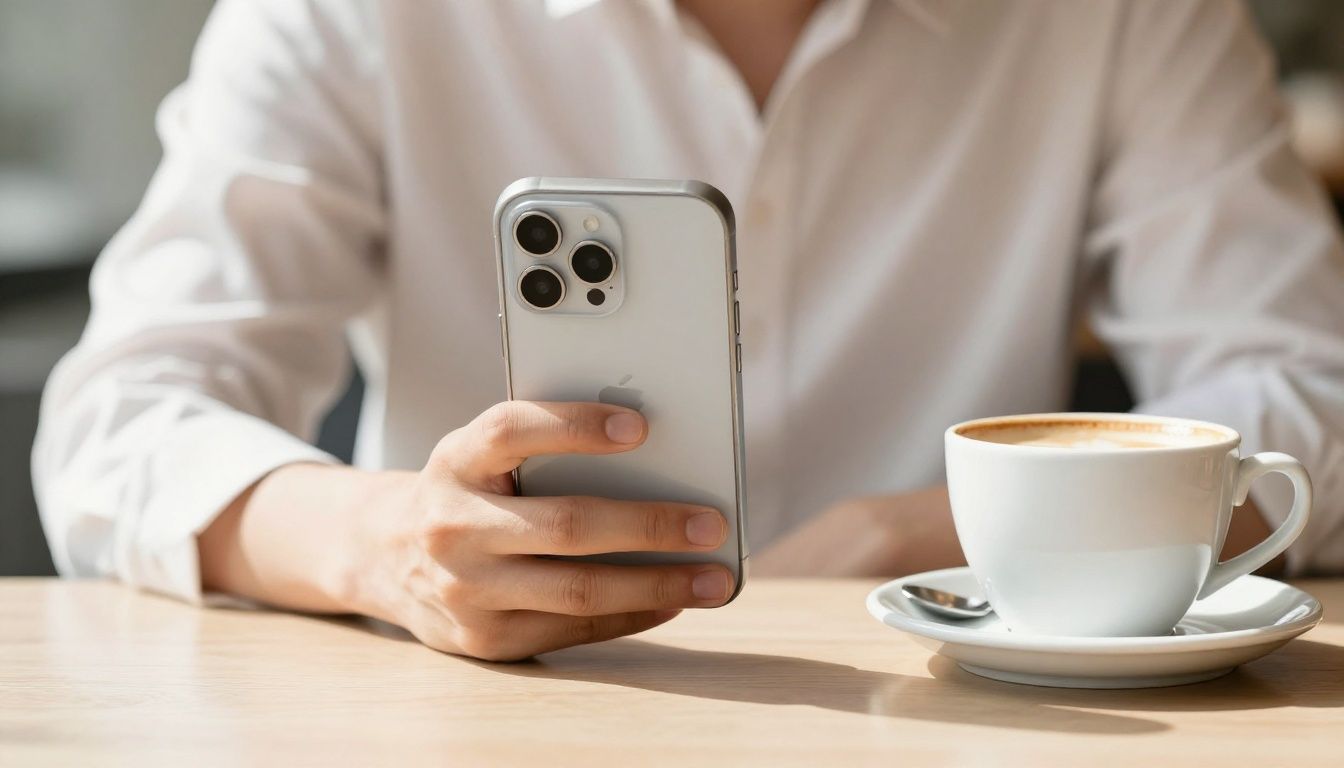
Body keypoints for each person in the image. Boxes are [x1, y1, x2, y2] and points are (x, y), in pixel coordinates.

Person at [32, 0, 1344, 661]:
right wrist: (393, 550)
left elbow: (1312, 400)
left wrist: (931, 532)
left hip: (967, 720)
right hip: (502, 720)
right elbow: (118, 423)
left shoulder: (1125, 17)